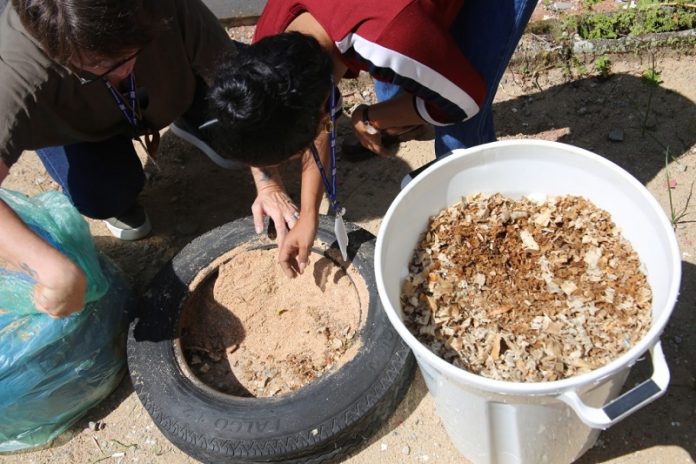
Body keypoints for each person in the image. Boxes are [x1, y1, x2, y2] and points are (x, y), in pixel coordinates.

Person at [208, 0, 539, 279]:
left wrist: (369, 118)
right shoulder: (270, 46)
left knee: (459, 134)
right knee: (400, 83)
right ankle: (410, 108)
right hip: (395, 27)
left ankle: (488, 238)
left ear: (326, 115)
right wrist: (295, 203)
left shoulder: (389, 38)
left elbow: (467, 101)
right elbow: (294, 116)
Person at [0, 0, 238, 317]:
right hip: (78, 124)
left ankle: (185, 111)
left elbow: (235, 75)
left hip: (161, 89)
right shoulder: (16, 70)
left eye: (129, 53)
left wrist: (269, 184)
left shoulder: (159, 8)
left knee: (246, 125)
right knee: (105, 195)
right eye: (104, 64)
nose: (125, 69)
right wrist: (52, 269)